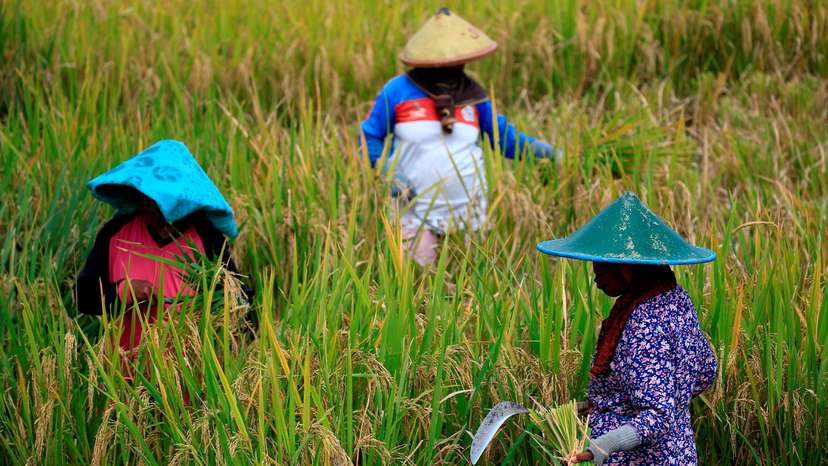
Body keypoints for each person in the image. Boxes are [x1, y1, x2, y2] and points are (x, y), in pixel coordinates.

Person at [360, 8, 561, 266]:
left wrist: (543, 151)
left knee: (469, 288)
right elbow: (369, 137)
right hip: (414, 210)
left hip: (469, 214)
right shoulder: (397, 91)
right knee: (419, 286)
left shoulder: (473, 96)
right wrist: (385, 169)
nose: (449, 66)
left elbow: (505, 139)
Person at [536, 192, 718, 465]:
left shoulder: (642, 326)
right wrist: (609, 402)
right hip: (679, 453)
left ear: (627, 268)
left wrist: (601, 447)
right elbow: (705, 371)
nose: (596, 277)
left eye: (602, 267)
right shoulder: (674, 299)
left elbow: (657, 415)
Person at [76, 140, 249, 372]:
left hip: (188, 377)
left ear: (180, 201)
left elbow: (237, 298)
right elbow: (84, 296)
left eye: (158, 200)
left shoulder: (206, 238)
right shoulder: (115, 234)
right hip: (126, 374)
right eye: (143, 196)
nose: (148, 205)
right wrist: (124, 290)